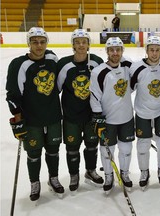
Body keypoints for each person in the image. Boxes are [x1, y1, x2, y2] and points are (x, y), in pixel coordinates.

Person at [6, 27, 64, 201]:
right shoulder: (19, 64)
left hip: (53, 116)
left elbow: (59, 85)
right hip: (31, 119)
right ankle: (34, 182)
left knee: (53, 150)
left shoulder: (53, 59)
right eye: (35, 42)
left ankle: (53, 178)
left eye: (42, 41)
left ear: (46, 43)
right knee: (33, 153)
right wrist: (18, 120)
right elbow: (13, 95)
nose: (39, 46)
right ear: (29, 43)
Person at [57, 29, 104, 194]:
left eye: (84, 41)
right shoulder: (64, 65)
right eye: (77, 42)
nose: (81, 45)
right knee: (72, 147)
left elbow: (103, 87)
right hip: (71, 115)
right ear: (73, 45)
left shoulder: (97, 62)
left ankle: (90, 171)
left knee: (92, 145)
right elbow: (56, 89)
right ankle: (74, 175)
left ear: (89, 44)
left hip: (91, 115)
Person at [89, 37, 135, 194]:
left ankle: (124, 174)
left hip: (127, 117)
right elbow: (94, 96)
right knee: (106, 150)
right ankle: (108, 175)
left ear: (122, 51)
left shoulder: (128, 66)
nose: (115, 53)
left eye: (118, 49)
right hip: (108, 119)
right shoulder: (98, 72)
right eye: (111, 50)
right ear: (107, 51)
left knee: (126, 148)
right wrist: (98, 117)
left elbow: (145, 70)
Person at [130, 36, 160, 190]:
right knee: (143, 145)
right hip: (142, 111)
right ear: (146, 51)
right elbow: (127, 89)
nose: (154, 53)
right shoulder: (137, 68)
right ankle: (144, 172)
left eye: (157, 50)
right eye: (151, 50)